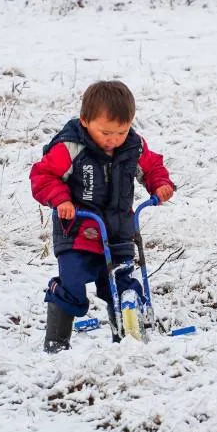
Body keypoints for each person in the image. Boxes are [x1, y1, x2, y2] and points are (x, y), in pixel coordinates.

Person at [30, 80, 175, 353]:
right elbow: (42, 176)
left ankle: (126, 337)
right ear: (85, 121)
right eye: (106, 132)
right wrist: (61, 199)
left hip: (118, 230)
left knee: (119, 285)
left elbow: (152, 166)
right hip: (78, 229)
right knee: (73, 284)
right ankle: (56, 343)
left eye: (122, 131)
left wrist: (160, 185)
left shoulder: (133, 146)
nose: (114, 139)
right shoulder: (69, 147)